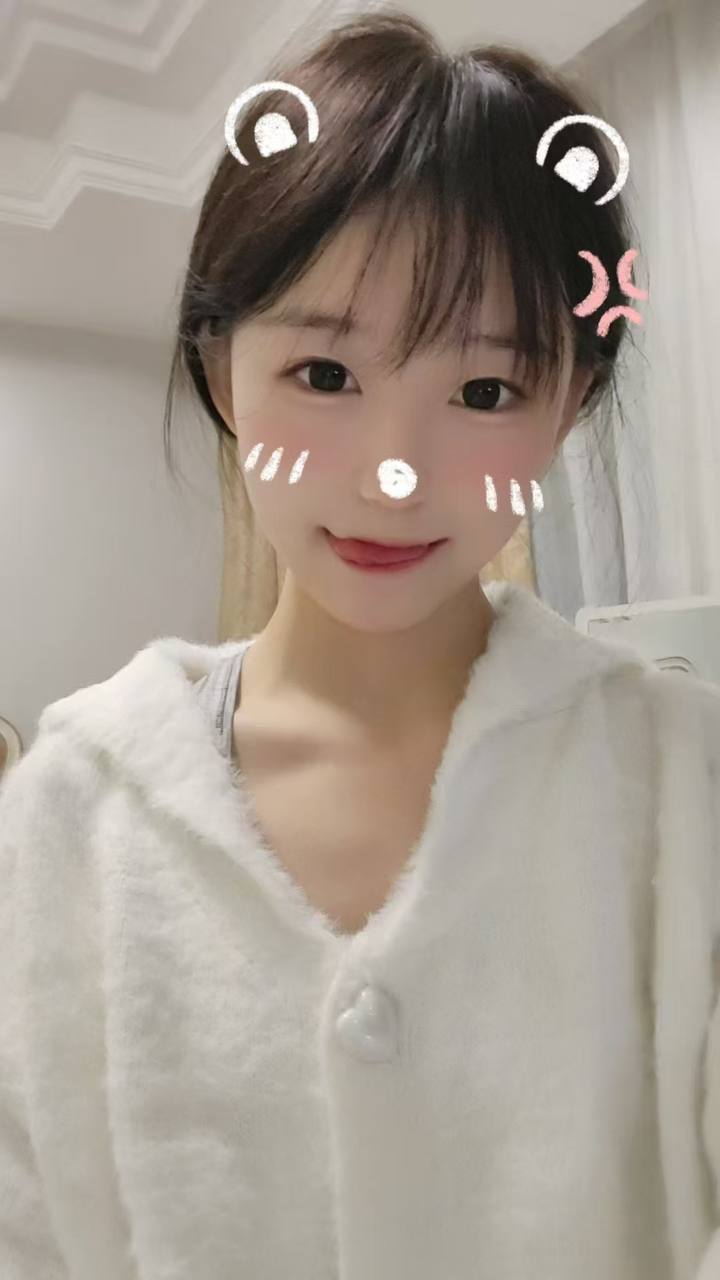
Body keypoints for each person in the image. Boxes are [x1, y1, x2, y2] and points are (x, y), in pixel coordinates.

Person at [2, 9, 720, 1280]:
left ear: (569, 405)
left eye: (485, 391)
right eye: (325, 375)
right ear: (223, 368)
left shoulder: (683, 779)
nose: (395, 474)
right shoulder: (70, 810)